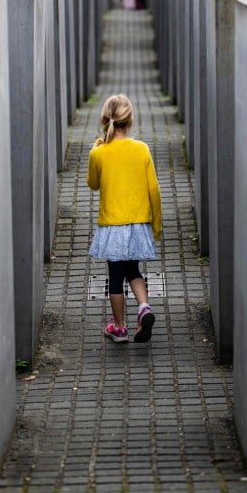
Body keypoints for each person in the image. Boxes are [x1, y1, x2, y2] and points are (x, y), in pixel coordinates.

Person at [87, 94, 163, 343]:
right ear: (130, 119)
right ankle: (144, 308)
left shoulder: (99, 153)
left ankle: (119, 327)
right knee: (134, 270)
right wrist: (157, 224)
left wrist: (96, 152)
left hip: (112, 224)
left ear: (105, 119)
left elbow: (93, 184)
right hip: (138, 222)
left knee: (116, 276)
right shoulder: (142, 149)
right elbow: (154, 189)